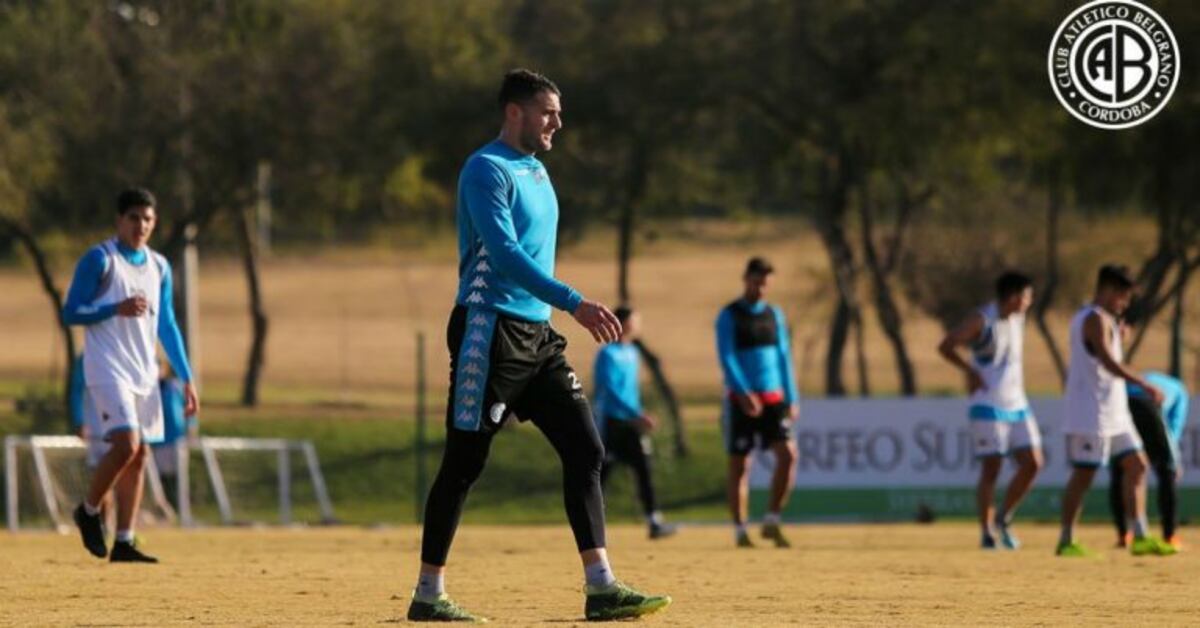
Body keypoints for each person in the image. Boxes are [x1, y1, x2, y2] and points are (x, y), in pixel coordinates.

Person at [407, 69, 669, 622]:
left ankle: (601, 588)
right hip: (489, 330)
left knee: (587, 449)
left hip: (536, 337)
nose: (558, 122)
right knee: (464, 462)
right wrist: (574, 302)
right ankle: (429, 594)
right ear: (514, 112)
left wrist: (556, 311)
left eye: (559, 112)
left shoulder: (539, 172)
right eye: (548, 111)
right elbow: (504, 255)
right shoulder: (486, 169)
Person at [64, 187, 199, 563]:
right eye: (134, 217)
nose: (141, 225)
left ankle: (124, 540)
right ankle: (88, 511)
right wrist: (114, 308)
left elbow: (167, 324)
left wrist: (186, 377)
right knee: (125, 444)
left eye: (148, 219)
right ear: (119, 220)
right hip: (108, 367)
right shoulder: (100, 260)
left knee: (139, 456)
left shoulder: (159, 266)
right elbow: (71, 312)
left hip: (144, 371)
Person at [1057, 264, 1173, 557]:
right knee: (1084, 474)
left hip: (1114, 411)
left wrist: (1119, 338)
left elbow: (1103, 357)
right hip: (1090, 411)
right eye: (1123, 296)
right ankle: (1067, 539)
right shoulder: (1093, 318)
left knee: (1137, 465)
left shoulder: (1106, 320)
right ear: (1108, 290)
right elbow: (1108, 363)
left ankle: (1141, 535)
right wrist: (1145, 384)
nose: (1126, 302)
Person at [937, 272, 1042, 549]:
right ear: (1014, 297)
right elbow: (946, 346)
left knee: (1033, 463)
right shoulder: (982, 320)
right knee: (992, 468)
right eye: (1027, 296)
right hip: (987, 404)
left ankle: (1004, 517)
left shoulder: (1018, 319)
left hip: (1017, 404)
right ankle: (987, 531)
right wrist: (970, 370)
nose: (1030, 302)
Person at [715, 257, 799, 549]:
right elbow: (727, 356)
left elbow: (784, 357)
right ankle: (740, 528)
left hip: (773, 398)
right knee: (740, 465)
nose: (761, 288)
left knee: (788, 456)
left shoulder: (774, 315)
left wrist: (792, 396)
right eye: (756, 282)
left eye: (766, 283)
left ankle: (772, 520)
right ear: (746, 279)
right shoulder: (730, 315)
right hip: (742, 401)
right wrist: (742, 391)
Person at [594, 306, 677, 540]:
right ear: (621, 324)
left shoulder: (632, 352)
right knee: (602, 474)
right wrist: (636, 413)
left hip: (631, 422)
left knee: (644, 469)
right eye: (633, 322)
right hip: (612, 421)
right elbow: (609, 389)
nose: (637, 326)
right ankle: (590, 523)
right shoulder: (607, 354)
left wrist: (637, 413)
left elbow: (631, 390)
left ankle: (654, 522)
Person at [1111, 370, 1189, 549]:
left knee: (1120, 468)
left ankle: (1124, 534)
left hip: (1121, 404)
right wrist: (1173, 461)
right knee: (1166, 473)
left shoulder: (1148, 377)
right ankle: (1169, 535)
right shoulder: (1179, 390)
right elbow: (1173, 426)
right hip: (1148, 406)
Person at [152, 359, 197, 510]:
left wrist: (191, 427)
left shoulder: (175, 386)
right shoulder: (149, 391)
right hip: (159, 441)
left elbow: (189, 407)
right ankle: (167, 508)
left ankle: (186, 510)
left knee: (182, 478)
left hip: (178, 440)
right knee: (162, 479)